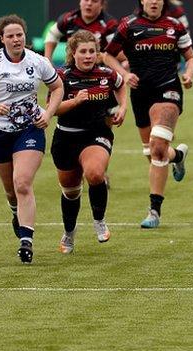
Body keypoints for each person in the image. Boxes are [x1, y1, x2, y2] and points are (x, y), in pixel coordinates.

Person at [0, 15, 63, 263]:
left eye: (20, 35)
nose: (16, 39)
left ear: (25, 36)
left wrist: (49, 113)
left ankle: (26, 241)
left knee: (22, 182)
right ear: (2, 39)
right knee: (11, 190)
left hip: (30, 129)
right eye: (10, 36)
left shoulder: (38, 62)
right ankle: (15, 209)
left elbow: (57, 87)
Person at [103, 0, 193, 228]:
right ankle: (177, 156)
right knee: (153, 152)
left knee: (156, 147)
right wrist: (124, 76)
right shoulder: (128, 25)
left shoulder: (175, 25)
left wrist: (189, 74)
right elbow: (107, 56)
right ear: (142, 1)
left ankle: (154, 211)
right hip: (140, 94)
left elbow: (190, 56)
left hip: (168, 89)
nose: (153, 1)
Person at [53, 30, 127, 254]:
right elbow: (53, 108)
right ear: (73, 53)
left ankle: (99, 220)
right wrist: (75, 101)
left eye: (92, 52)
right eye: (83, 52)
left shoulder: (107, 74)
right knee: (71, 191)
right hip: (65, 137)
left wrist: (122, 107)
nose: (87, 56)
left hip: (96, 133)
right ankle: (69, 233)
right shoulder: (61, 76)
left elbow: (122, 85)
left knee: (95, 173)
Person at [44, 0, 118, 63]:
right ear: (80, 2)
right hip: (71, 67)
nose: (89, 3)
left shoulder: (109, 24)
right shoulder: (68, 19)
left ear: (101, 5)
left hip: (99, 69)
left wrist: (103, 57)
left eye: (94, 1)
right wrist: (48, 61)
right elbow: (52, 34)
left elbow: (118, 53)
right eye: (86, 0)